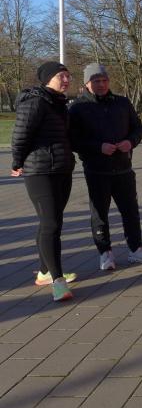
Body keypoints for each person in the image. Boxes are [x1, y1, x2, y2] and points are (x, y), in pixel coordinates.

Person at [68, 63, 142, 270]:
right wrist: (98, 147)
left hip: (124, 169)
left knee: (130, 212)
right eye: (96, 81)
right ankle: (105, 253)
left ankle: (136, 249)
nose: (101, 84)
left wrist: (130, 142)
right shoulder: (77, 108)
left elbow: (138, 128)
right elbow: (72, 140)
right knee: (100, 214)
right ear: (87, 84)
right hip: (97, 171)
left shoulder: (122, 103)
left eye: (104, 80)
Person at [11, 61, 77, 301]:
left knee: (52, 222)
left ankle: (44, 272)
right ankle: (58, 282)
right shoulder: (35, 102)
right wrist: (17, 162)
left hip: (61, 169)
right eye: (61, 76)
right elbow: (20, 134)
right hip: (39, 171)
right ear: (48, 79)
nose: (66, 80)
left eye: (68, 76)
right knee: (50, 223)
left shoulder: (59, 103)